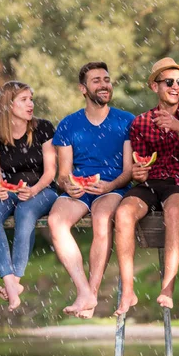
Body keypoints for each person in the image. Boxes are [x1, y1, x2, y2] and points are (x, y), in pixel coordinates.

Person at [114, 57, 179, 314]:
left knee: (174, 211)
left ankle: (168, 287)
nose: (176, 86)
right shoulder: (141, 123)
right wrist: (139, 172)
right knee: (123, 213)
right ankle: (129, 290)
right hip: (152, 183)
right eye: (169, 82)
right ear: (154, 86)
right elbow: (139, 171)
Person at [48, 62, 134, 318]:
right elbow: (63, 174)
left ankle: (92, 293)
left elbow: (129, 171)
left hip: (113, 187)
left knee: (101, 218)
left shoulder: (126, 121)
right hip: (80, 188)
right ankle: (83, 290)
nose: (104, 84)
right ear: (83, 89)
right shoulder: (68, 124)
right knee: (55, 221)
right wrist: (68, 185)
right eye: (96, 80)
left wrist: (110, 185)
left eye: (106, 79)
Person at [0, 81, 58, 311]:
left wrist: (33, 190)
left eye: (31, 99)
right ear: (8, 105)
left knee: (25, 212)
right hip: (11, 191)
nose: (30, 104)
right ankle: (9, 280)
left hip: (43, 190)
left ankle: (15, 282)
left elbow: (51, 172)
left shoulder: (44, 128)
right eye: (24, 100)